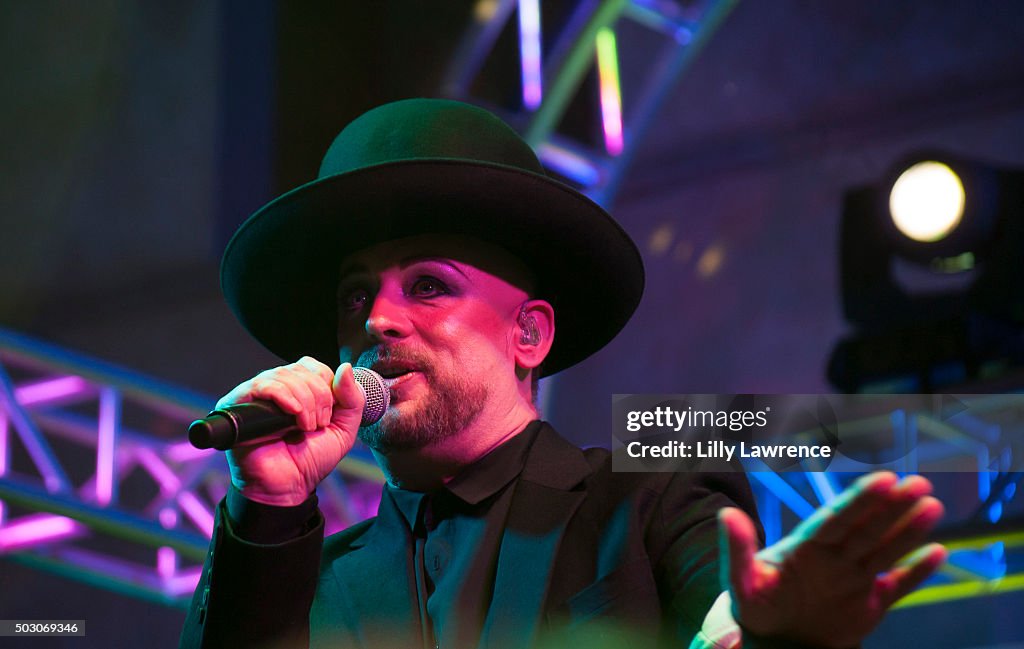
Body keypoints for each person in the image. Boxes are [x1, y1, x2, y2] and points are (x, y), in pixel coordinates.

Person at [180, 99, 946, 649]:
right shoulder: (297, 577)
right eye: (356, 295)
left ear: (529, 332)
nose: (378, 319)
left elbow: (731, 619)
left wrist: (782, 637)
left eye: (428, 285)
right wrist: (271, 506)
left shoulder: (648, 504)